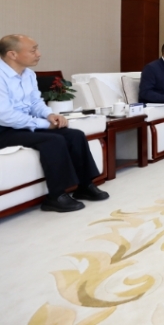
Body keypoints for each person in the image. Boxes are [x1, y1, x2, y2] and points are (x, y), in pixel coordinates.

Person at [0, 34, 110, 213]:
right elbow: (5, 115)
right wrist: (44, 124)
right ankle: (56, 196)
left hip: (24, 125)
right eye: (33, 50)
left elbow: (35, 102)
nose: (39, 54)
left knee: (75, 135)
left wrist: (50, 115)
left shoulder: (28, 74)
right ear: (12, 54)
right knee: (53, 140)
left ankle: (85, 185)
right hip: (4, 129)